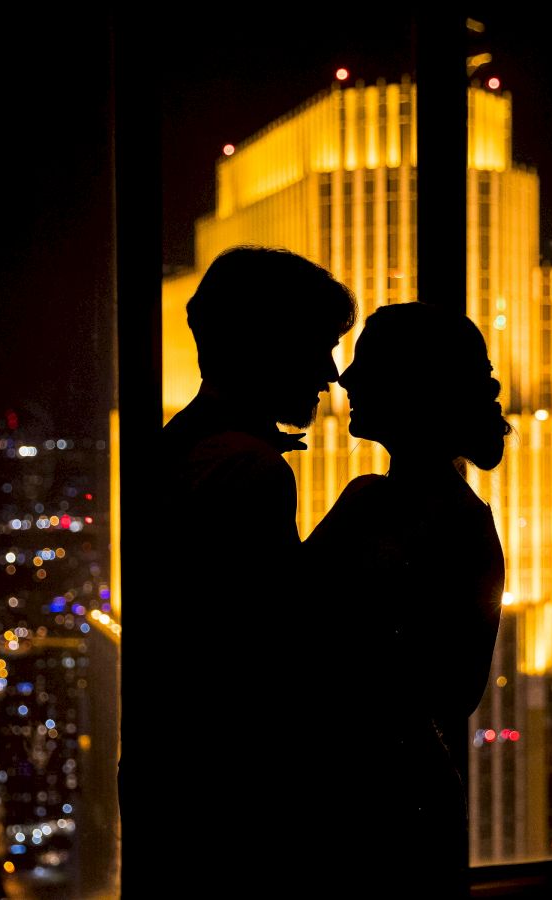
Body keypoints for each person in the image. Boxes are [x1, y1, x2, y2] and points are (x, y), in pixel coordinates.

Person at [142, 246, 357, 888]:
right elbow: (268, 658)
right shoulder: (246, 469)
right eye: (317, 346)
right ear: (266, 347)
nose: (330, 373)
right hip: (234, 803)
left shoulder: (184, 447)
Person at [306, 301, 510, 897]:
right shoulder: (426, 511)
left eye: (366, 363)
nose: (346, 378)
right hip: (394, 795)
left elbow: (454, 689)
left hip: (381, 805)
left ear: (412, 386)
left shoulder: (405, 513)